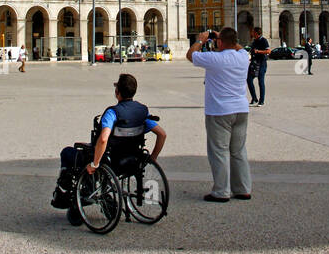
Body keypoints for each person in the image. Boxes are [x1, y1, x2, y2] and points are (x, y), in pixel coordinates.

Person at [51, 73, 167, 210]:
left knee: (68, 153)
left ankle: (66, 192)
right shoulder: (142, 111)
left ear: (117, 92)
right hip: (133, 158)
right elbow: (162, 134)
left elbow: (104, 139)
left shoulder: (112, 113)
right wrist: (152, 159)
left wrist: (95, 164)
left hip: (111, 160)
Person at [187, 27, 252, 202]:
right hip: (241, 110)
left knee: (219, 151)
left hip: (219, 111)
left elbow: (190, 55)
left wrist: (201, 40)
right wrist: (224, 37)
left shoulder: (215, 58)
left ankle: (222, 191)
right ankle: (243, 189)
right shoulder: (243, 56)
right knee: (238, 151)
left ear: (220, 42)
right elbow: (238, 47)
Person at [246, 26, 270, 106]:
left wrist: (258, 51)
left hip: (261, 63)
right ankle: (254, 98)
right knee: (249, 80)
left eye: (253, 32)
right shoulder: (254, 41)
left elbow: (268, 51)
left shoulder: (263, 40)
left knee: (261, 81)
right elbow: (251, 51)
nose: (251, 33)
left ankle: (261, 100)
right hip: (253, 63)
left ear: (256, 33)